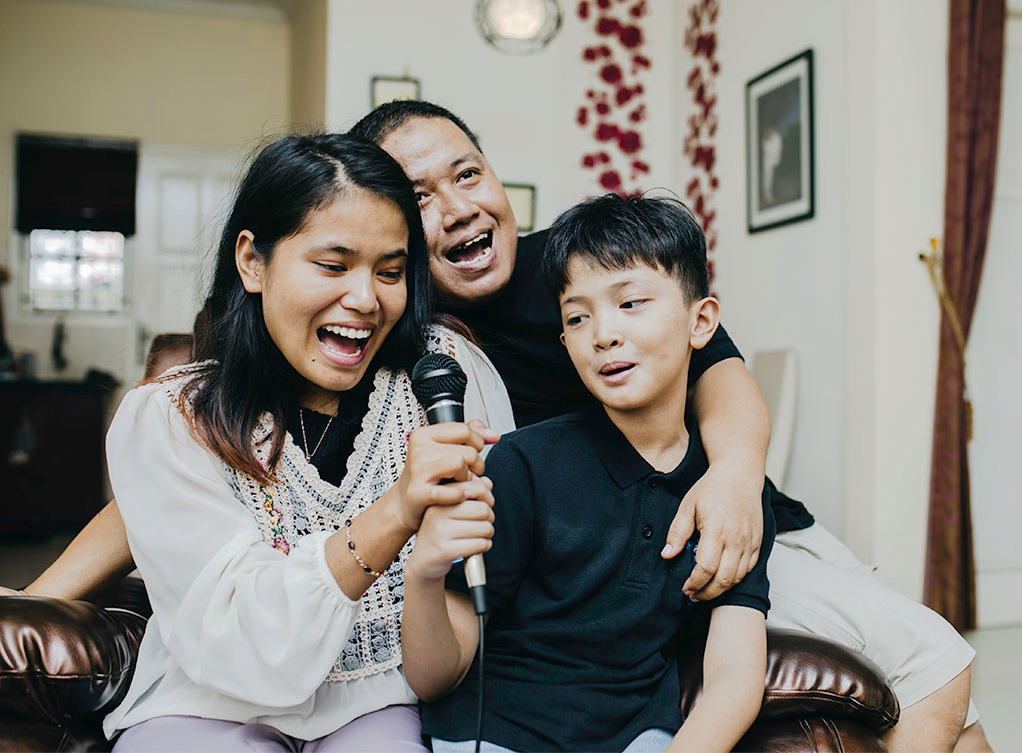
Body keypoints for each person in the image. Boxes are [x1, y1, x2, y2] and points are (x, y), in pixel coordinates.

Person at [349, 101, 984, 752]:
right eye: (420, 197)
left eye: (468, 175)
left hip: (708, 515)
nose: (457, 209)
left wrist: (734, 483)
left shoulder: (584, 265)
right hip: (599, 568)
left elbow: (725, 378)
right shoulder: (406, 333)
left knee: (940, 679)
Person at [99, 133, 514, 750]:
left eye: (392, 272)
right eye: (333, 265)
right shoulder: (167, 419)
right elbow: (245, 650)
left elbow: (475, 591)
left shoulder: (447, 378)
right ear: (252, 261)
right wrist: (395, 513)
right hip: (210, 705)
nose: (366, 299)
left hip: (375, 704)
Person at [402, 194, 775, 752]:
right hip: (496, 730)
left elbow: (735, 671)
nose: (603, 333)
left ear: (701, 323)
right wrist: (423, 577)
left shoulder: (733, 495)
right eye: (578, 317)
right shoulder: (522, 465)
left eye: (630, 304)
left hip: (637, 736)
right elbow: (436, 676)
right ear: (565, 342)